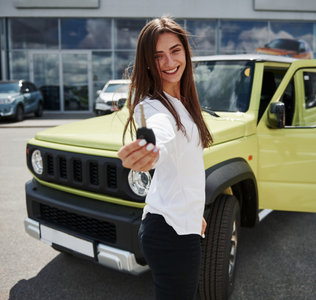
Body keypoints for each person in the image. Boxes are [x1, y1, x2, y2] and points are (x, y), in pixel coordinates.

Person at [117, 16, 213, 299]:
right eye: (158, 56)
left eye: (175, 51)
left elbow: (185, 168)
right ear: (147, 61)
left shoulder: (183, 101)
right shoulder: (152, 107)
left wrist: (194, 213)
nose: (169, 62)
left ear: (185, 51)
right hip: (171, 235)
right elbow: (161, 136)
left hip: (178, 223)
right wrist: (151, 152)